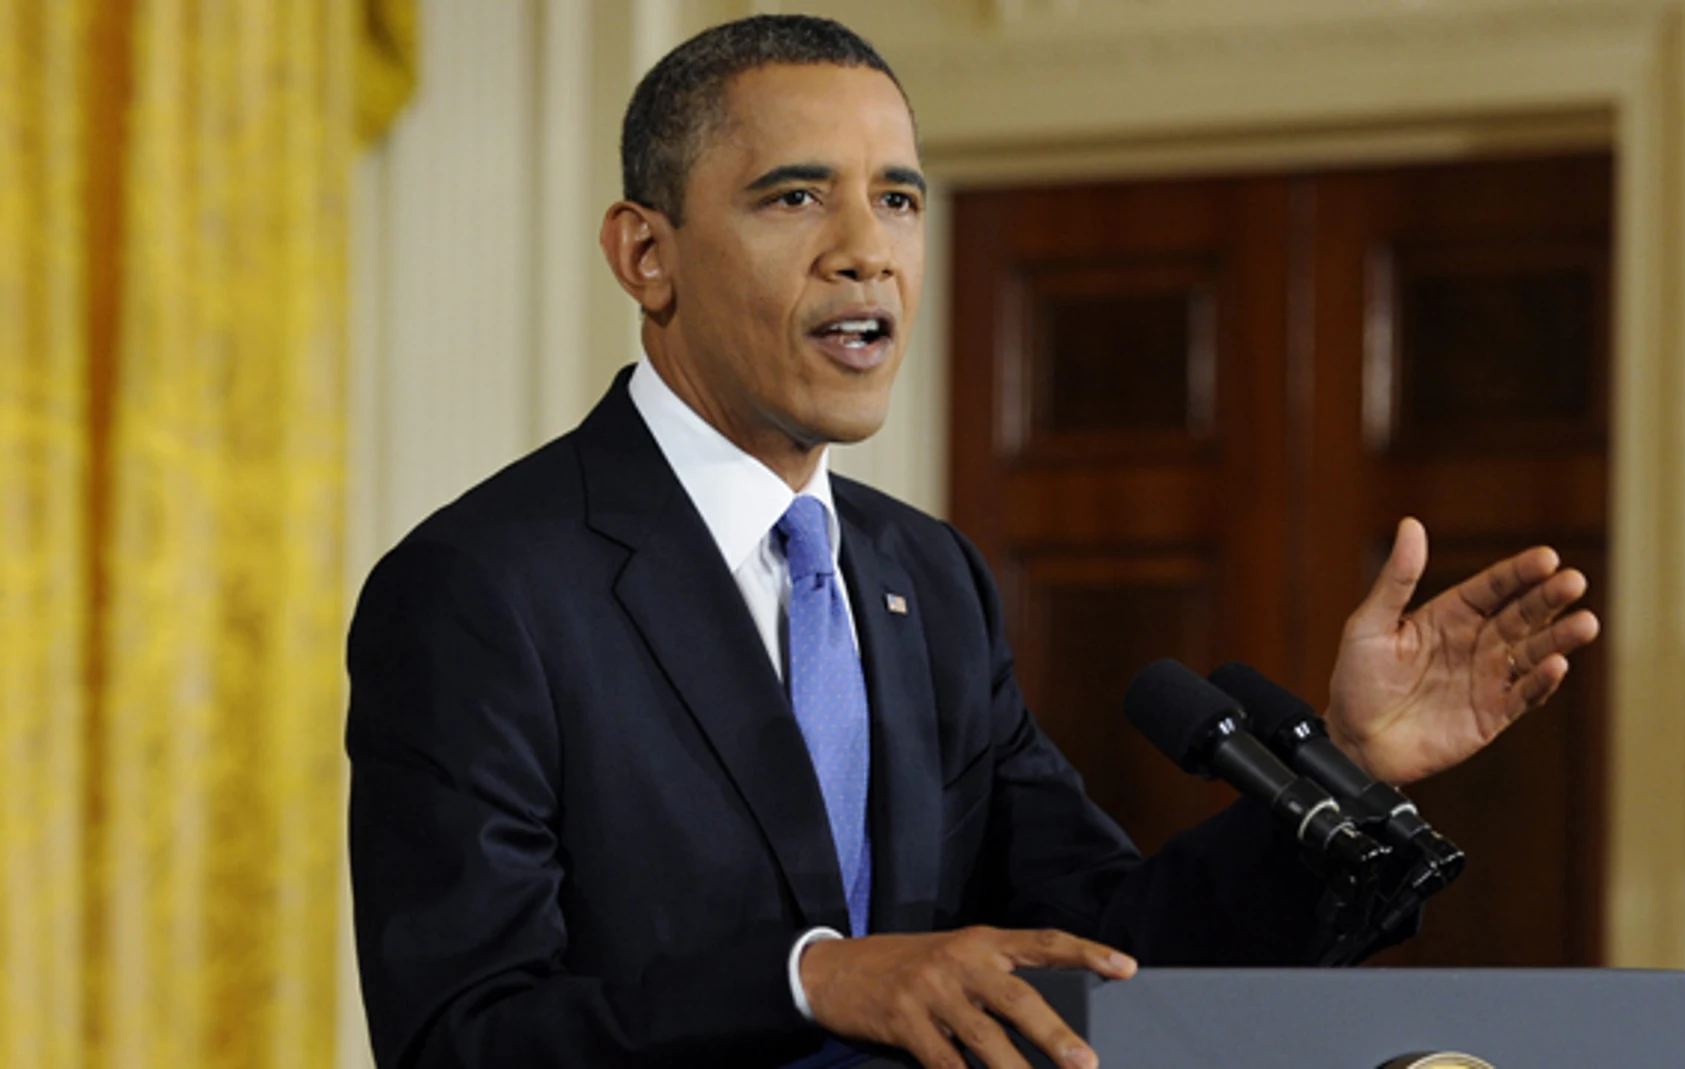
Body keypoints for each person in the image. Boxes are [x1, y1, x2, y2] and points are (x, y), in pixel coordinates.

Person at [346, 15, 1600, 1069]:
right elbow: (463, 1029)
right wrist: (808, 979)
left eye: (898, 199)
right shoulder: (482, 590)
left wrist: (1346, 765)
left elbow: (1108, 950)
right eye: (795, 197)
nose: (866, 250)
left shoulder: (925, 580)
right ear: (645, 254)